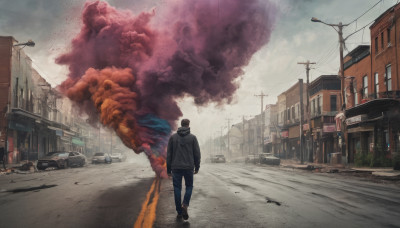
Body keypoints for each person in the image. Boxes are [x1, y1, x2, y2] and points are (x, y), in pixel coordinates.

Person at [167, 118, 201, 220]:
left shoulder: (173, 138)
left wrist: (168, 170)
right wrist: (197, 167)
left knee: (177, 188)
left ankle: (179, 211)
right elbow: (197, 154)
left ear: (181, 125)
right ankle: (185, 204)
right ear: (188, 125)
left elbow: (169, 155)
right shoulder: (193, 138)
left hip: (176, 167)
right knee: (189, 186)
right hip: (189, 167)